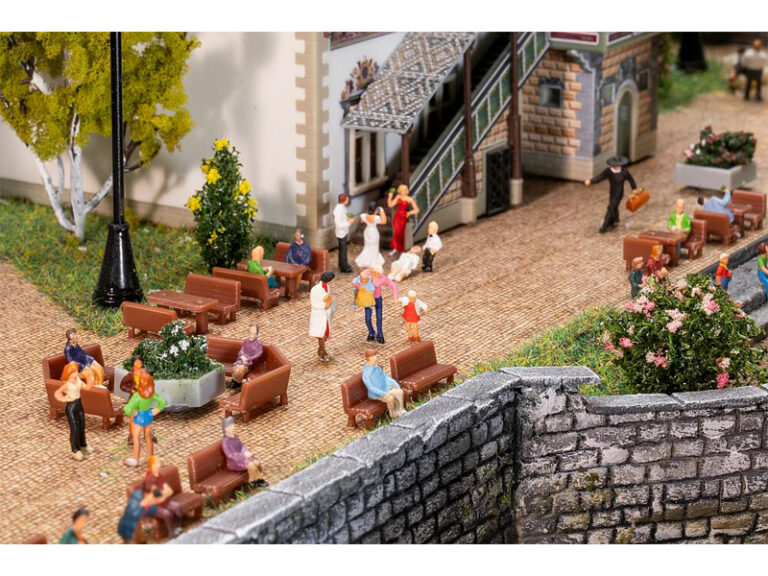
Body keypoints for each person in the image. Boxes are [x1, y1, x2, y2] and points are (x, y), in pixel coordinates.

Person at [123, 358, 166, 467]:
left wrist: (133, 413)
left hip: (138, 418)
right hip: (148, 416)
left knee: (136, 438)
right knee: (148, 437)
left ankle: (135, 459)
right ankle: (151, 457)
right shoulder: (152, 394)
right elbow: (162, 402)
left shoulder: (137, 396)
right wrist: (154, 411)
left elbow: (127, 409)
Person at [584, 156, 640, 233]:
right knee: (614, 206)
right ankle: (615, 220)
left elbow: (631, 180)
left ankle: (605, 226)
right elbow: (600, 177)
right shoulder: (609, 171)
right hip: (612, 192)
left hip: (619, 192)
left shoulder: (624, 172)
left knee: (611, 207)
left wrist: (634, 188)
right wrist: (591, 181)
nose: (615, 167)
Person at [54, 367, 94, 461]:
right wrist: (64, 399)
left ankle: (83, 445)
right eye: (74, 372)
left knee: (82, 426)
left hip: (79, 405)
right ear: (69, 374)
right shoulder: (67, 385)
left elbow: (87, 387)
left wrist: (90, 378)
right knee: (74, 428)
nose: (76, 373)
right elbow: (57, 393)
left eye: (76, 371)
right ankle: (75, 450)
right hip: (71, 407)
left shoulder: (78, 380)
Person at [141, 456, 182, 537]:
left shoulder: (159, 475)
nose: (159, 465)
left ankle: (177, 528)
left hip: (163, 502)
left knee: (177, 507)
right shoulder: (150, 479)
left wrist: (164, 493)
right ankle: (171, 532)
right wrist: (163, 493)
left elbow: (169, 490)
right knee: (167, 513)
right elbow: (156, 495)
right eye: (156, 463)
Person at [221, 417, 268, 486]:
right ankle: (255, 480)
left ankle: (255, 480)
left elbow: (242, 446)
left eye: (233, 424)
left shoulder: (235, 437)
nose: (233, 427)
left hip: (242, 458)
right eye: (230, 425)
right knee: (251, 464)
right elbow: (230, 455)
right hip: (234, 462)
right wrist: (243, 455)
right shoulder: (225, 441)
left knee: (256, 462)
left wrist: (246, 452)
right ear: (226, 428)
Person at [362, 348, 406, 419]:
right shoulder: (366, 373)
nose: (376, 358)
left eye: (375, 356)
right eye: (373, 357)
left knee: (399, 391)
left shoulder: (377, 368)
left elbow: (385, 377)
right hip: (376, 394)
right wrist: (384, 394)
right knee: (390, 398)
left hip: (385, 388)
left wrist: (394, 384)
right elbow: (371, 388)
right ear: (367, 359)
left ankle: (400, 410)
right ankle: (393, 414)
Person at [228, 323, 264, 390]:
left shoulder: (259, 344)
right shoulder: (246, 341)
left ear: (256, 334)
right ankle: (236, 381)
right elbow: (241, 350)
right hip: (242, 360)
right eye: (250, 333)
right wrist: (242, 356)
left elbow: (259, 353)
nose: (251, 335)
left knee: (240, 368)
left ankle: (236, 382)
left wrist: (249, 358)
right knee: (237, 368)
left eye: (253, 333)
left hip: (251, 363)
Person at [368, 266, 398, 344]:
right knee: (367, 318)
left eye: (376, 273)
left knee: (379, 317)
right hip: (368, 299)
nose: (373, 273)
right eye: (373, 272)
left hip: (377, 299)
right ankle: (371, 332)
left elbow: (393, 285)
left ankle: (380, 334)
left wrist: (395, 297)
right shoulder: (367, 275)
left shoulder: (382, 278)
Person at [387, 185, 420, 255]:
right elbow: (390, 205)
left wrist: (409, 212)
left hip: (403, 217)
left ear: (406, 190)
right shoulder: (398, 197)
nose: (403, 192)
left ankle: (400, 249)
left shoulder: (409, 199)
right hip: (397, 216)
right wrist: (389, 197)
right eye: (401, 190)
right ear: (399, 191)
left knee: (400, 233)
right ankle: (395, 249)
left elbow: (417, 210)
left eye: (404, 190)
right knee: (396, 233)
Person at [309, 271, 335, 362]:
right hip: (319, 315)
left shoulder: (327, 287)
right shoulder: (315, 290)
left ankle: (321, 350)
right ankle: (322, 352)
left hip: (325, 314)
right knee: (321, 334)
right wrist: (324, 306)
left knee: (325, 333)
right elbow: (314, 303)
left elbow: (328, 298)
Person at [333, 193, 356, 273]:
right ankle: (344, 267)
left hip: (344, 232)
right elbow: (338, 224)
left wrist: (349, 219)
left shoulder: (343, 207)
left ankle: (342, 264)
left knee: (343, 249)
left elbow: (345, 217)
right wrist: (349, 223)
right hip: (341, 233)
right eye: (347, 198)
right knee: (343, 250)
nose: (348, 200)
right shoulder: (338, 210)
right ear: (344, 199)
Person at [353, 269, 377, 341]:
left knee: (368, 319)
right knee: (367, 319)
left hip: (369, 303)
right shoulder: (357, 280)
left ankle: (372, 333)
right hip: (362, 300)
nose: (365, 280)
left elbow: (372, 289)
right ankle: (371, 332)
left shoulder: (370, 281)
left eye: (366, 279)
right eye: (363, 279)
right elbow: (355, 285)